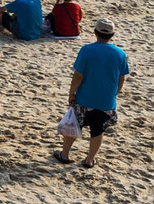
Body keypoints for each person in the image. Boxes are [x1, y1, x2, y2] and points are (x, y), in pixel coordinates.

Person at [55, 20, 128, 168]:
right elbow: (122, 78)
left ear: (95, 32)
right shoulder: (120, 53)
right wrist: (115, 93)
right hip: (106, 101)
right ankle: (89, 160)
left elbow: (78, 76)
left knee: (74, 125)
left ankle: (65, 155)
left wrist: (71, 94)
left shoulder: (87, 50)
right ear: (112, 35)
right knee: (98, 130)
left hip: (84, 99)